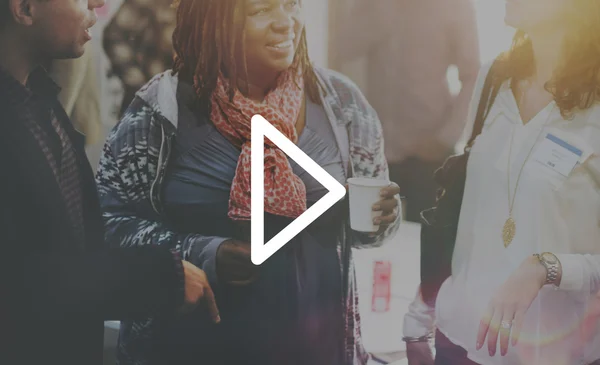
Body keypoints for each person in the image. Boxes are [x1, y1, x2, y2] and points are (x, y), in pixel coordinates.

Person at [95, 0, 401, 364]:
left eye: (290, 4)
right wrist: (201, 253)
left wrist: (383, 217)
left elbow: (371, 228)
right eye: (261, 11)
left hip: (317, 348)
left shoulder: (342, 104)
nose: (284, 23)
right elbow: (107, 225)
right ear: (213, 21)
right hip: (193, 349)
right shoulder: (160, 113)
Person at [0, 0, 220, 363]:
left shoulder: (41, 103)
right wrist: (154, 277)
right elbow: (23, 282)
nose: (97, 3)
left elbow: (68, 245)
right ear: (24, 9)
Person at [403, 0, 600, 364]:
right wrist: (421, 313)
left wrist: (547, 267)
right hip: (457, 341)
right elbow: (466, 213)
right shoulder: (495, 78)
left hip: (552, 354)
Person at [334, 0, 480, 222]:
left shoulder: (455, 5)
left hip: (430, 151)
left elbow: (472, 75)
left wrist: (446, 137)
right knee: (366, 236)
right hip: (374, 148)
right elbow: (343, 49)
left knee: (427, 241)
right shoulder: (370, 5)